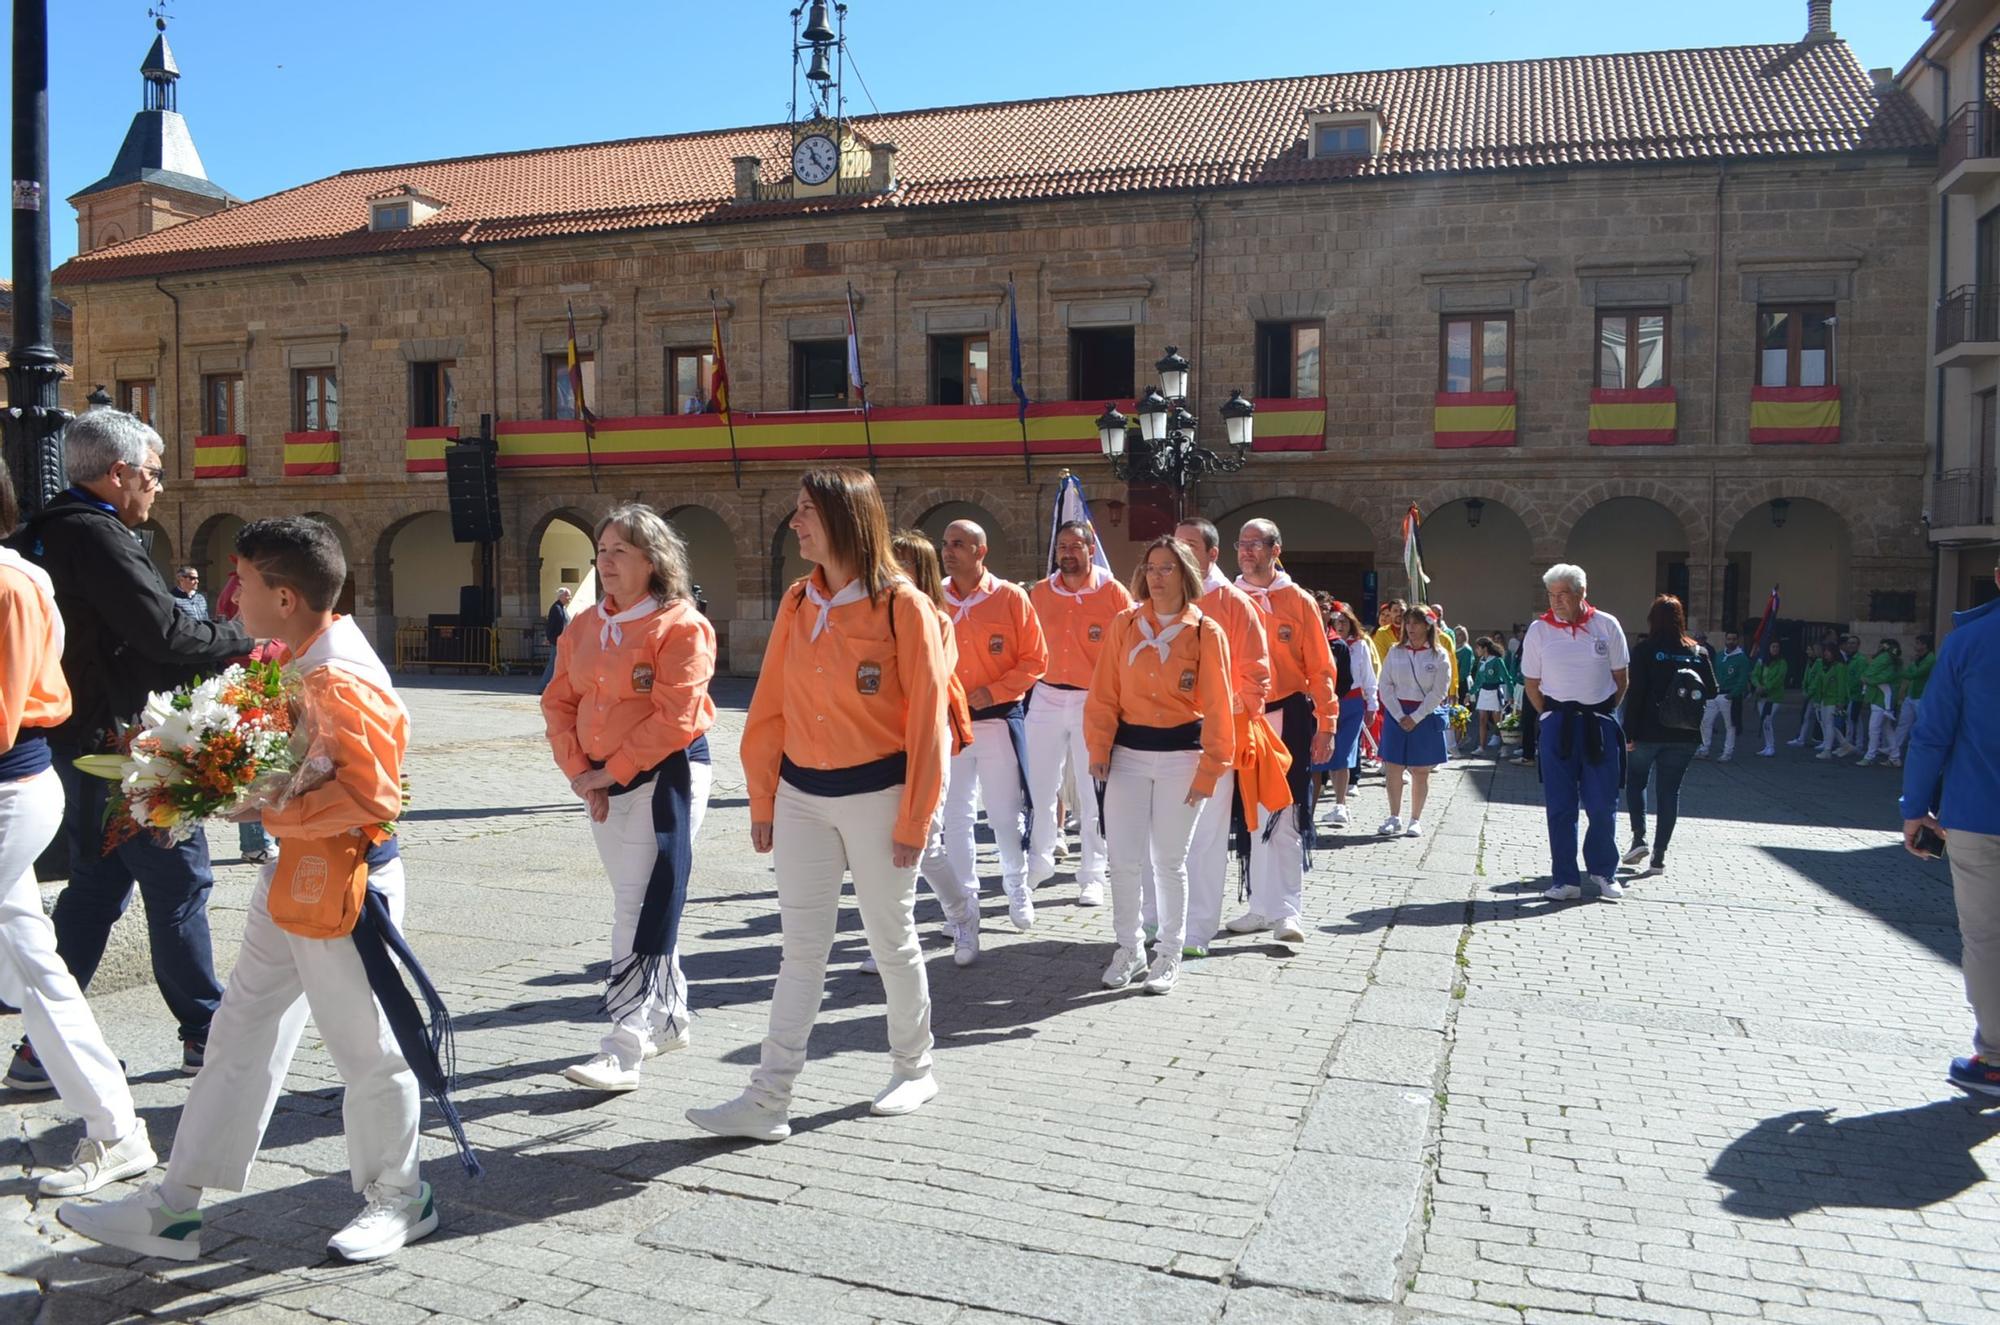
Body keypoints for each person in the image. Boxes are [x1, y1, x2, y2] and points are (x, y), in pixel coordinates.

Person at [62, 516, 465, 1262]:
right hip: (299, 870)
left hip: (347, 880)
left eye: (241, 580)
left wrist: (252, 801)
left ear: (283, 596)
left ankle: (403, 1195)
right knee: (240, 1030)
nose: (228, 594)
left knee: (365, 1048)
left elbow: (374, 795)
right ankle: (174, 1203)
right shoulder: (306, 652)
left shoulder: (336, 671)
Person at [688, 468, 949, 1142]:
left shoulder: (903, 606)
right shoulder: (799, 601)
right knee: (801, 952)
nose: (796, 521)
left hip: (880, 794)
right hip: (804, 796)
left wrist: (916, 818)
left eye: (807, 510)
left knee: (891, 939)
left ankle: (913, 1067)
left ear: (844, 517)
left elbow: (929, 724)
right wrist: (764, 796)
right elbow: (770, 703)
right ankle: (768, 1098)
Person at [4, 410, 245, 1090]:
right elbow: (163, 632)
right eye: (152, 474)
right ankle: (206, 1030)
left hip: (75, 742)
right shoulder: (99, 536)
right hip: (125, 745)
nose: (158, 488)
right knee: (179, 882)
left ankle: (40, 1050)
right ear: (117, 475)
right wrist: (247, 642)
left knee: (95, 888)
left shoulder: (42, 533)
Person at [0, 459, 156, 1199]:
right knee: (32, 967)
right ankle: (114, 1125)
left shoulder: (12, 581)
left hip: (11, 788)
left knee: (34, 968)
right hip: (16, 789)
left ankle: (117, 1126)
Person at [540, 507, 716, 1093]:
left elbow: (676, 719)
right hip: (602, 780)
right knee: (638, 899)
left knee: (635, 907)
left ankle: (623, 1045)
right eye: (602, 549)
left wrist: (608, 774)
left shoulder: (680, 626)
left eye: (620, 551)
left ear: (653, 560)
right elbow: (558, 701)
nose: (606, 561)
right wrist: (580, 771)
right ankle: (670, 1015)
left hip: (667, 779)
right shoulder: (584, 625)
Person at [1084, 537, 1234, 995]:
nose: (1156, 576)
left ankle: (1169, 953)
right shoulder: (1124, 623)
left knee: (1169, 862)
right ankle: (1128, 948)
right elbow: (1104, 692)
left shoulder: (1206, 631)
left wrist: (1210, 769)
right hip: (1127, 755)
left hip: (1181, 758)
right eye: (1151, 567)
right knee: (1123, 860)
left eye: (1167, 568)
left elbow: (1219, 705)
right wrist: (1098, 751)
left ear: (1185, 574)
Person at [1900, 551, 2000, 1098]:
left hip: (1978, 815)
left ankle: (1995, 1059)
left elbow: (1933, 732)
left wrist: (1914, 806)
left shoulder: (1968, 642)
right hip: (1975, 815)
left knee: (1986, 938)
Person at [1225, 520, 1336, 951]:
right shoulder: (1226, 598)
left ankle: (1288, 910)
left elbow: (1321, 668)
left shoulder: (1298, 600)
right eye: (1242, 544)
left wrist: (1327, 723)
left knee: (1285, 813)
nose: (1247, 551)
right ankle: (1259, 906)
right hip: (1239, 718)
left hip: (1287, 714)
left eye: (1256, 544)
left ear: (1276, 549)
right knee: (1249, 816)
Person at [937, 520, 1048, 931]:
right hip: (950, 725)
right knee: (956, 818)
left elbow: (1036, 659)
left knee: (1003, 815)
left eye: (959, 544)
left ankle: (1016, 887)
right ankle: (965, 904)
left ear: (980, 551)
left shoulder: (1010, 597)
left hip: (997, 719)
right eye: (946, 544)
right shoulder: (934, 598)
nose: (949, 551)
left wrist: (996, 691)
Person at [1173, 518, 1271, 957]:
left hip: (1212, 738)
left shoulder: (1233, 603)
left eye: (1190, 545)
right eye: (1176, 545)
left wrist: (1223, 705)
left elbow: (1257, 676)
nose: (1180, 553)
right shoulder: (1159, 596)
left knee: (1207, 837)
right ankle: (1160, 919)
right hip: (1158, 736)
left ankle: (1198, 929)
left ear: (1213, 554)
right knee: (1163, 838)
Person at [1025, 520, 1130, 908]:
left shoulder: (1113, 592)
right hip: (1046, 695)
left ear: (1090, 549)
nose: (1068, 553)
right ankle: (1039, 860)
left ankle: (1092, 874)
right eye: (1062, 547)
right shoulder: (1039, 592)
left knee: (1092, 792)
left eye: (1075, 546)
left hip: (1093, 700)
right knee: (1039, 786)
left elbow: (1126, 648)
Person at [893, 529, 977, 969]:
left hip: (928, 735)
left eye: (902, 563)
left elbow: (930, 682)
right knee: (885, 844)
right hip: (884, 739)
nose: (891, 571)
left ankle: (964, 916)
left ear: (919, 571)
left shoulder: (937, 620)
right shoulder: (873, 615)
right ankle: (892, 938)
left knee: (926, 840)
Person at [1522, 563, 1629, 902]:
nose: (1556, 602)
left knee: (1601, 803)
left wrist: (1601, 711)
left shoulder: (1606, 625)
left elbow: (1621, 679)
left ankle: (1603, 872)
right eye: (1552, 595)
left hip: (1598, 722)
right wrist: (1551, 716)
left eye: (1563, 595)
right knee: (1560, 805)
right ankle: (1565, 879)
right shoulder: (1539, 631)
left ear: (1582, 593)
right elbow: (1531, 684)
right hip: (1558, 723)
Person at [1619, 595, 1715, 877]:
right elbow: (1711, 689)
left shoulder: (1645, 650)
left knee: (1636, 783)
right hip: (1684, 734)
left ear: (1652, 620)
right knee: (1669, 792)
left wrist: (1629, 732)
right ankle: (1659, 857)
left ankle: (1639, 838)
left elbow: (1635, 695)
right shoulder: (1698, 652)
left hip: (1648, 730)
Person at [1375, 607, 1452, 836]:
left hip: (1424, 715)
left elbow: (1439, 691)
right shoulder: (1395, 651)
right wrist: (1399, 715)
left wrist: (1416, 716)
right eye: (1407, 623)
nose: (1410, 628)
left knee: (1420, 770)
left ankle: (1415, 819)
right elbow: (1385, 684)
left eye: (1416, 623)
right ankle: (1393, 816)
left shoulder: (1439, 655)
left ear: (1428, 626)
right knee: (1393, 767)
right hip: (1397, 712)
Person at [1322, 600, 1377, 820]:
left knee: (1343, 754)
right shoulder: (1325, 643)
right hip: (1328, 702)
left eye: (1344, 621)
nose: (1341, 626)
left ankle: (1340, 805)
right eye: (1337, 621)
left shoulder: (1360, 645)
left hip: (1353, 703)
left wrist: (1372, 705)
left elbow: (1368, 677)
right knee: (1329, 752)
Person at [1696, 629, 1747, 761]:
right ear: (1725, 640)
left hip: (1729, 696)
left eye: (1733, 639)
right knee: (1706, 721)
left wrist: (1732, 694)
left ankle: (1727, 752)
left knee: (1729, 725)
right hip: (1714, 695)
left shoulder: (1742, 658)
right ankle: (1704, 749)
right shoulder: (1719, 656)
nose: (1731, 642)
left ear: (1737, 640)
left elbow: (1742, 679)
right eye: (1729, 639)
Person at [1856, 638, 1903, 768]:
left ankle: (1870, 756)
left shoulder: (1885, 658)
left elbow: (1880, 675)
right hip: (1881, 697)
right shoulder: (1893, 661)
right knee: (1886, 729)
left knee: (1874, 729)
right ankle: (1894, 756)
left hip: (1879, 698)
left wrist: (1867, 679)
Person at [1893, 633, 1935, 767]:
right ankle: (1894, 754)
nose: (1915, 646)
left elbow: (1915, 674)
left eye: (1918, 643)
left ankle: (1922, 756)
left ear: (1924, 645)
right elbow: (1912, 672)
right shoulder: (1919, 659)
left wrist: (1899, 672)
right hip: (1911, 696)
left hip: (1922, 697)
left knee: (1921, 726)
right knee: (1902, 725)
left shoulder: (1930, 659)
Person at [1815, 638, 1859, 760]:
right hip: (1825, 698)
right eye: (1825, 651)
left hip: (1833, 699)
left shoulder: (1839, 666)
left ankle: (1827, 749)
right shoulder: (1824, 666)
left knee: (1828, 724)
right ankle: (1845, 744)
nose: (1826, 654)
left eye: (1828, 651)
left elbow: (1842, 684)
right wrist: (1817, 699)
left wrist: (1841, 701)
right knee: (1827, 724)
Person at [1750, 638, 1788, 758]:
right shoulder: (1762, 661)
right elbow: (1755, 674)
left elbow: (1779, 678)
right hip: (1762, 696)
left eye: (1777, 647)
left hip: (1773, 697)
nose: (1775, 649)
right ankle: (1768, 745)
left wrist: (1766, 687)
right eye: (1773, 647)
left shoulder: (1782, 663)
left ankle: (1771, 746)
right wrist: (1758, 685)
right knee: (1764, 720)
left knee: (1767, 719)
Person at [1472, 636, 1509, 752]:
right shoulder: (1481, 661)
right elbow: (1478, 680)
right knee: (1482, 719)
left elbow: (1507, 678)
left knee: (1498, 722)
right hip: (1484, 692)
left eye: (1478, 648)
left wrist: (1511, 695)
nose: (1476, 650)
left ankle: (1504, 746)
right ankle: (1481, 747)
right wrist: (1470, 693)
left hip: (1494, 692)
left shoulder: (1497, 661)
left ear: (1485, 648)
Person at [1788, 644, 1827, 748]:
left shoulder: (1819, 663)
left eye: (1810, 649)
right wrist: (1805, 689)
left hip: (1816, 695)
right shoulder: (1809, 662)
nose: (1807, 651)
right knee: (1806, 717)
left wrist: (1808, 692)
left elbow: (1817, 680)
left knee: (1820, 718)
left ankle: (1826, 741)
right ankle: (1801, 738)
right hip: (1810, 695)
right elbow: (1806, 678)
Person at [539, 586, 573, 692]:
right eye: (568, 596)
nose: (569, 598)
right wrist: (551, 639)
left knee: (561, 664)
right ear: (561, 596)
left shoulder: (562, 608)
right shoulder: (556, 608)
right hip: (557, 641)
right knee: (553, 664)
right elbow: (551, 626)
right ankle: (543, 687)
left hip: (563, 641)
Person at [1372, 599, 1405, 664]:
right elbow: (1382, 661)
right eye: (1395, 611)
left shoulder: (1413, 631)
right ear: (1390, 613)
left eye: (1402, 611)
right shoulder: (1382, 632)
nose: (1399, 614)